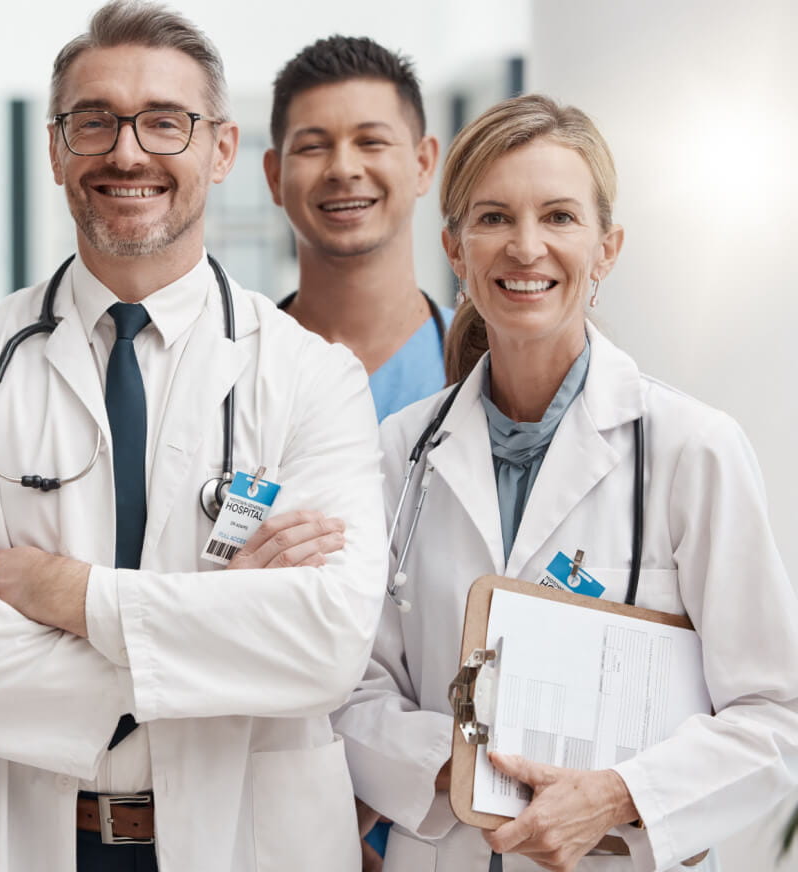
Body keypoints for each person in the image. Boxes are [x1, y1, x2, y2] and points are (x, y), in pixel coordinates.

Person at [0, 2, 387, 870]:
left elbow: (326, 643)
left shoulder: (311, 379)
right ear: (57, 148)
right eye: (94, 121)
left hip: (246, 838)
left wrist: (72, 598)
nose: (128, 151)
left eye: (165, 122)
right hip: (17, 838)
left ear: (220, 150)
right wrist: (221, 634)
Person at [332, 94, 798, 871]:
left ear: (607, 248)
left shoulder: (692, 449)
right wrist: (462, 770)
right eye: (492, 219)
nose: (525, 247)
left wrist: (617, 794)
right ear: (454, 248)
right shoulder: (399, 451)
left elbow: (775, 715)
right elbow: (354, 690)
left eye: (558, 217)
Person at [263, 35, 447, 422]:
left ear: (424, 163)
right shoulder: (236, 366)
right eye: (313, 147)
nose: (343, 168)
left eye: (372, 141)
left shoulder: (488, 362)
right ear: (274, 175)